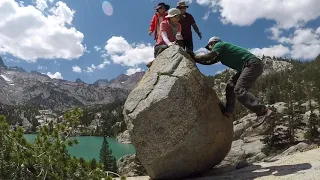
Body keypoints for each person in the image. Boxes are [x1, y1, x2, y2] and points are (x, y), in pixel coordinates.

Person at [192, 37, 272, 127]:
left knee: (239, 89)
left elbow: (210, 56)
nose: (209, 48)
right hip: (248, 66)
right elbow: (209, 61)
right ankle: (228, 111)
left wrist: (194, 57)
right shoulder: (220, 55)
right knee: (230, 86)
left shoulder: (219, 45)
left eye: (209, 46)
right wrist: (194, 59)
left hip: (252, 64)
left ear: (213, 43)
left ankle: (263, 111)